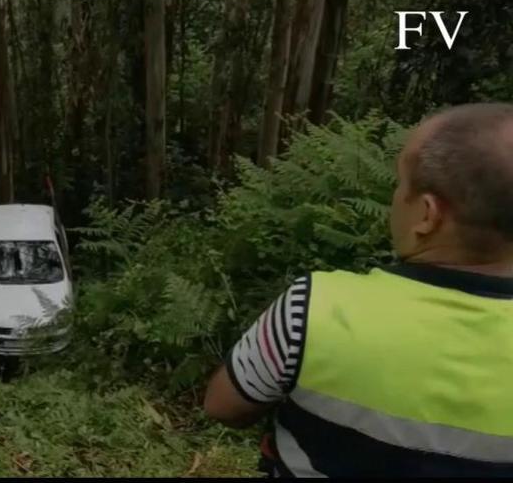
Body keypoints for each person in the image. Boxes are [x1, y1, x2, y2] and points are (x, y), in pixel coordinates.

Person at [203, 103, 513, 477]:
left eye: (401, 184)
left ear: (428, 215)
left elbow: (223, 405)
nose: (395, 199)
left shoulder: (312, 308)